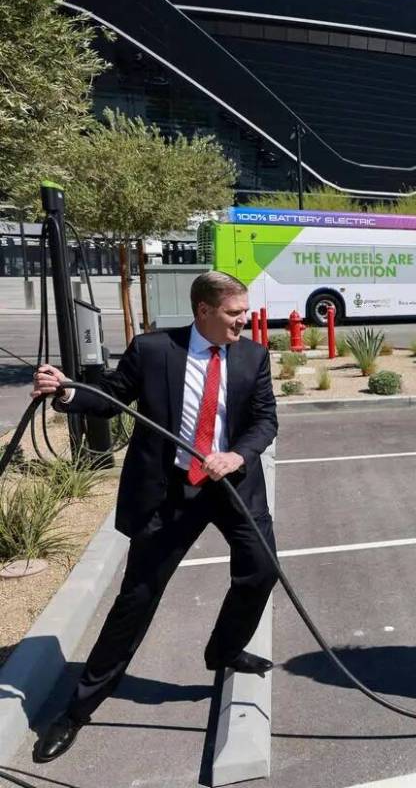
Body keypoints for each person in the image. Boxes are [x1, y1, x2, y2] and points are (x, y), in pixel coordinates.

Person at [29, 271, 278, 763]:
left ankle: (224, 650)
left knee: (261, 570)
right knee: (136, 600)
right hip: (171, 493)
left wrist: (237, 455)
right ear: (203, 311)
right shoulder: (154, 350)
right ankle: (77, 710)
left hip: (231, 486)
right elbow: (111, 397)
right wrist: (67, 393)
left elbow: (264, 419)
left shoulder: (252, 355)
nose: (242, 321)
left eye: (244, 312)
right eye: (233, 313)